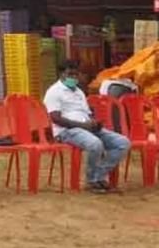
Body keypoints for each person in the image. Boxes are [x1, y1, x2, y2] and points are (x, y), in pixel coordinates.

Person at [44, 59, 130, 193]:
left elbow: (87, 113)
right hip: (66, 131)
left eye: (76, 75)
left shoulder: (79, 92)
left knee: (122, 142)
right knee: (95, 144)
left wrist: (94, 123)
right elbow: (56, 118)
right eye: (70, 74)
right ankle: (92, 181)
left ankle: (98, 176)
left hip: (86, 128)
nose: (73, 78)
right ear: (61, 74)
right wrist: (82, 125)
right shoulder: (54, 92)